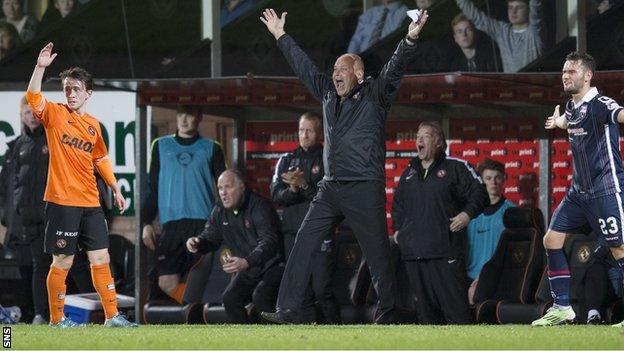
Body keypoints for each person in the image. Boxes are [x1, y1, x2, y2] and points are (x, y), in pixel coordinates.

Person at [259, 8, 429, 324]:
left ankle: (389, 312)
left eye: (343, 68)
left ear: (359, 74)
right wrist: (281, 35)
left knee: (378, 253)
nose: (336, 72)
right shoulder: (326, 93)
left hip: (364, 186)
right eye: (335, 67)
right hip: (331, 186)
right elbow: (304, 66)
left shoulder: (376, 94)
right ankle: (289, 309)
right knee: (304, 241)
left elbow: (395, 67)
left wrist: (410, 37)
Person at [26, 42, 136, 328]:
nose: (70, 94)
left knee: (101, 257)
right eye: (66, 89)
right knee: (61, 261)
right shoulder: (54, 114)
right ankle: (56, 319)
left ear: (88, 93)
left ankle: (112, 316)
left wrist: (115, 187)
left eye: (76, 89)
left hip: (91, 202)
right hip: (62, 201)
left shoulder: (93, 125)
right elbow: (33, 96)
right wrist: (40, 67)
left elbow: (100, 158)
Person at [531, 52, 624, 327]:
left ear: (587, 75)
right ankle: (562, 308)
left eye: (571, 71)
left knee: (619, 250)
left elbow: (618, 114)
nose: (565, 75)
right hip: (579, 193)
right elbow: (570, 122)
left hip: (606, 190)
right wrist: (558, 122)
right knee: (551, 240)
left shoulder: (601, 104)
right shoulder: (572, 107)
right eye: (563, 71)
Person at [391, 121, 488, 324]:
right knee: (426, 317)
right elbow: (398, 205)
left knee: (456, 315)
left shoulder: (455, 167)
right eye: (417, 136)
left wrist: (466, 215)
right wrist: (399, 231)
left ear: (438, 143)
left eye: (425, 135)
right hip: (414, 256)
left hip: (446, 254)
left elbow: (480, 193)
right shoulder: (409, 172)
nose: (419, 139)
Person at [12, 96, 94, 324]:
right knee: (40, 266)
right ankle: (42, 315)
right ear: (22, 116)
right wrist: (18, 213)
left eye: (34, 112)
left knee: (74, 263)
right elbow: (15, 184)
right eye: (26, 113)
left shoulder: (56, 136)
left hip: (57, 214)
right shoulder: (19, 145)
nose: (31, 117)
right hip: (31, 219)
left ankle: (101, 310)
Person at [142, 105, 226, 305]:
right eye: (180, 114)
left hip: (203, 224)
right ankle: (194, 307)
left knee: (204, 278)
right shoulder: (160, 145)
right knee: (166, 282)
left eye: (189, 114)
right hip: (171, 224)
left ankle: (198, 313)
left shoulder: (212, 147)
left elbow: (225, 189)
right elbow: (152, 188)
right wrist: (146, 222)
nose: (184, 119)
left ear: (199, 117)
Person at [186, 170, 284, 323]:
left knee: (261, 296)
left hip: (273, 266)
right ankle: (247, 339)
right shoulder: (219, 210)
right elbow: (210, 235)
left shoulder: (259, 206)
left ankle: (275, 339)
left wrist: (246, 262)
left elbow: (269, 242)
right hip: (250, 269)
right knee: (230, 299)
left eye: (228, 187)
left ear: (242, 187)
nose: (223, 193)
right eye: (220, 188)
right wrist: (198, 243)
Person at [270, 111, 340, 323]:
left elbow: (331, 198)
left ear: (319, 132)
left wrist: (304, 185)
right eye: (301, 130)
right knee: (302, 293)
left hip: (320, 235)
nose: (304, 134)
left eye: (309, 130)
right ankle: (309, 337)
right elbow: (275, 195)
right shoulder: (287, 159)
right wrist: (291, 190)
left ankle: (340, 332)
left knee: (322, 290)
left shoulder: (329, 158)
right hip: (293, 234)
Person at [465, 158, 515, 304]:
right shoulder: (468, 213)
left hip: (497, 277)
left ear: (503, 179)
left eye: (497, 178)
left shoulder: (511, 212)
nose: (493, 182)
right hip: (467, 276)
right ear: (481, 181)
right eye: (488, 178)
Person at [455, 0, 543, 73]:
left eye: (519, 7)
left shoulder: (534, 31)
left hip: (534, 89)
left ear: (528, 10)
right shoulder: (502, 31)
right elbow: (476, 17)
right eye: (510, 7)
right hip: (510, 89)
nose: (513, 11)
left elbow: (535, 6)